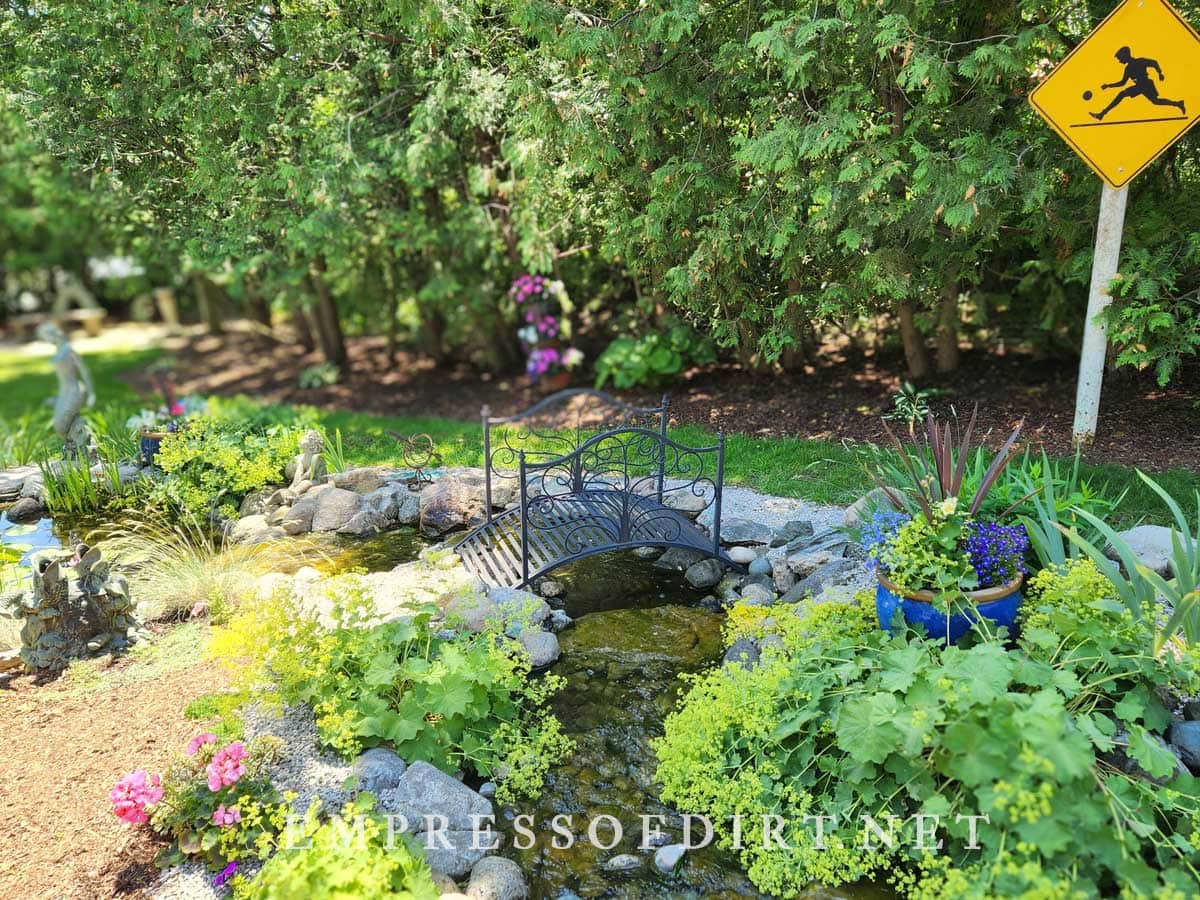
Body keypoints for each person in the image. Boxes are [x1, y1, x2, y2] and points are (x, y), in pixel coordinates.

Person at [36, 321, 95, 459]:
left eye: (45, 337)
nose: (46, 340)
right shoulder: (58, 349)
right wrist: (57, 398)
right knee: (58, 426)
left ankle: (82, 442)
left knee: (61, 425)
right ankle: (74, 448)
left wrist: (92, 394)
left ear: (51, 333)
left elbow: (84, 371)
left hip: (75, 391)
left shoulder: (68, 349)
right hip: (64, 393)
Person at [1091, 46, 1186, 120]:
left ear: (1125, 56)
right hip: (1142, 85)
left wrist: (1160, 73)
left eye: (1120, 58)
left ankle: (1102, 114)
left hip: (1145, 84)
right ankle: (1178, 103)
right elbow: (1122, 82)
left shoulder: (1139, 61)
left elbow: (1154, 62)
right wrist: (1109, 86)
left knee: (1122, 94)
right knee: (1155, 101)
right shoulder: (1128, 68)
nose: (1119, 61)